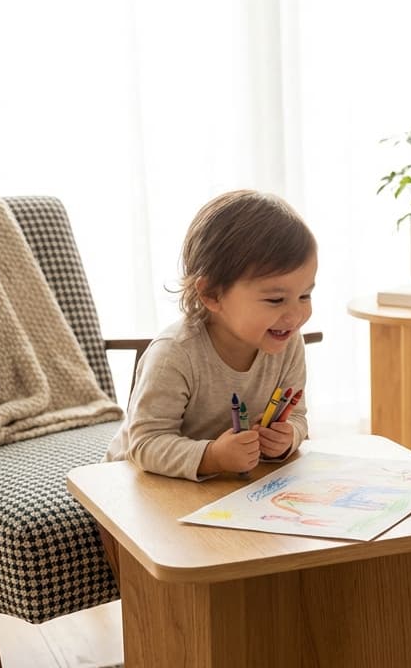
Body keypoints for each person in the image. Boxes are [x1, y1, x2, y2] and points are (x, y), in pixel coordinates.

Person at [106, 189, 316, 481]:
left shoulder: (288, 341)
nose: (296, 316)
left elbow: (296, 415)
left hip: (217, 491)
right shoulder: (174, 354)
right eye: (275, 300)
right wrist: (213, 456)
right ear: (211, 294)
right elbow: (145, 443)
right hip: (136, 487)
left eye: (305, 295)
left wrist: (287, 437)